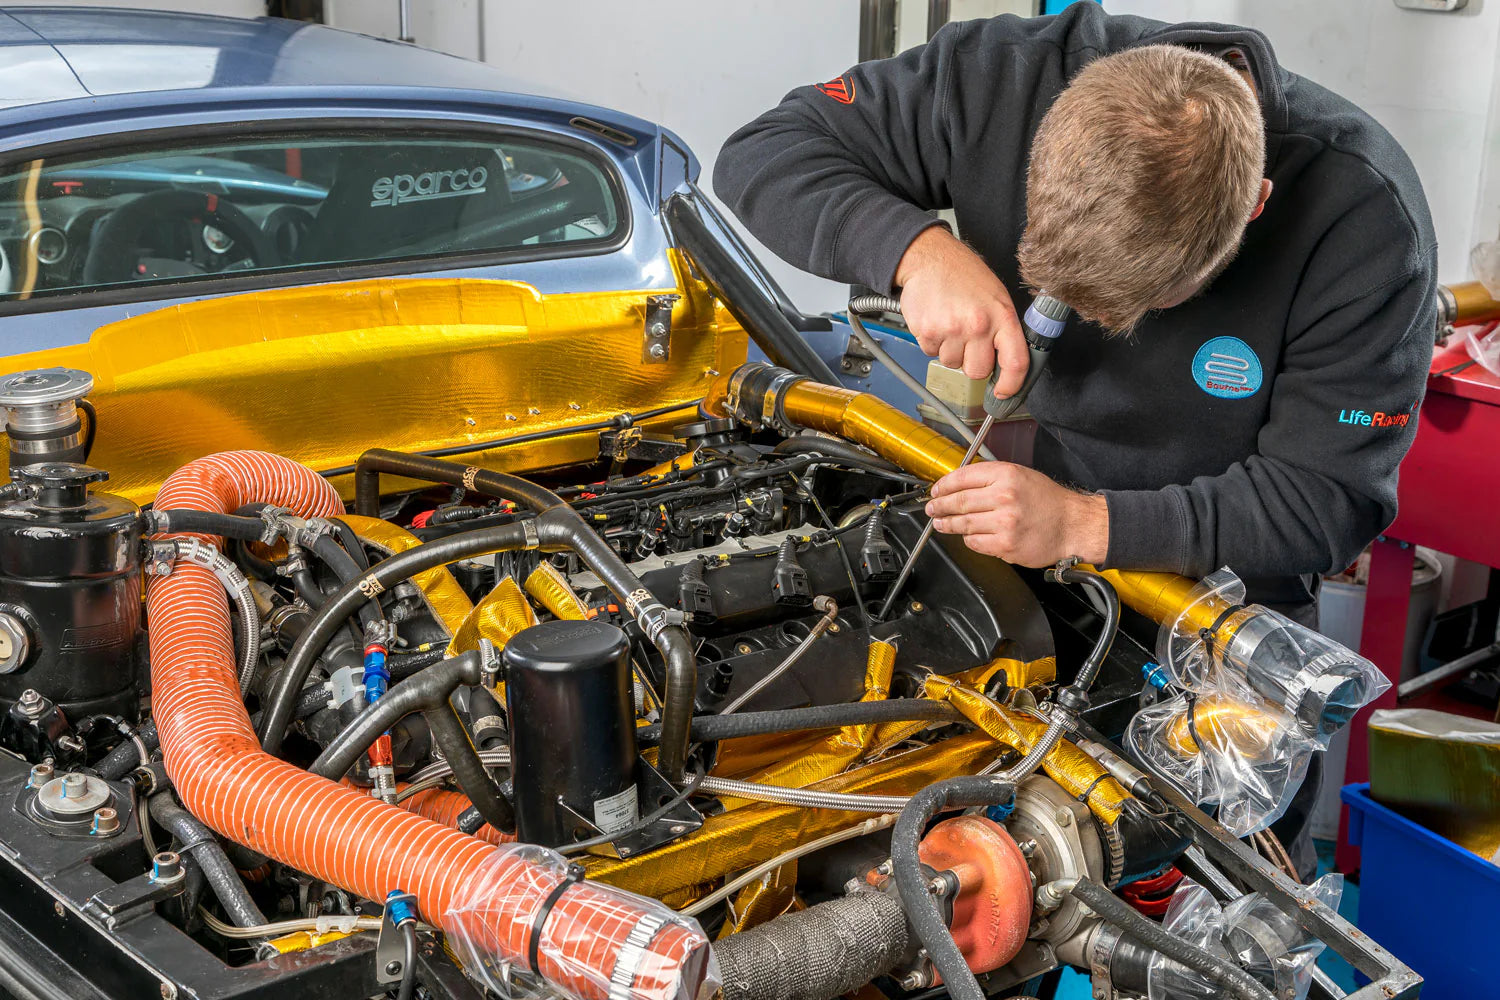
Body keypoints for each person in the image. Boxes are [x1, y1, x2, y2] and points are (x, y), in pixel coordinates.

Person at [714, 4, 1435, 627]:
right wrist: (916, 251)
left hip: (1232, 593)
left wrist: (1085, 523)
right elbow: (765, 150)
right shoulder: (1001, 77)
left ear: (1253, 209)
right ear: (1043, 133)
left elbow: (1326, 502)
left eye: (1138, 300)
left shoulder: (1367, 220)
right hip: (1054, 547)